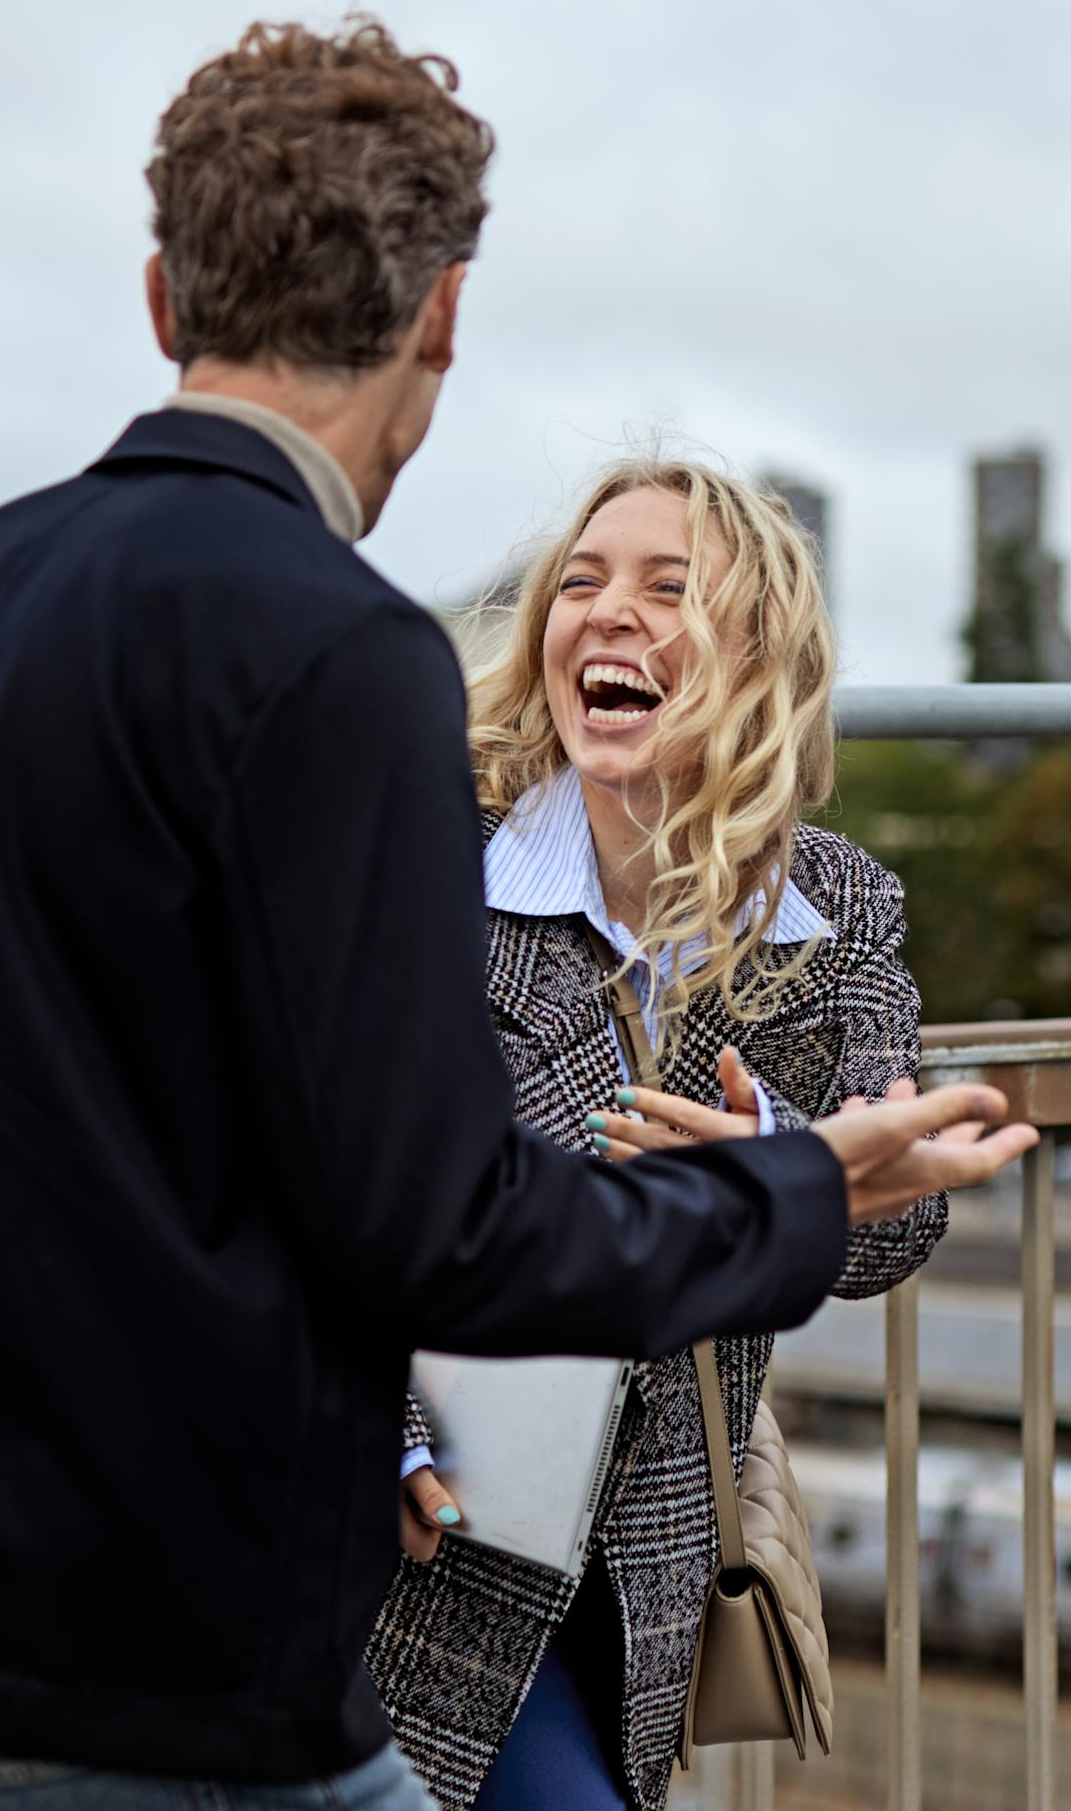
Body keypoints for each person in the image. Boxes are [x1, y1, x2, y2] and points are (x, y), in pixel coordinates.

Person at [0, 16, 1033, 1811]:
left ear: (160, 297)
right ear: (438, 319)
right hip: (96, 1706)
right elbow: (434, 1230)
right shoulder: (330, 651)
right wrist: (807, 1183)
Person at [371, 458, 932, 1810]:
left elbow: (899, 1222)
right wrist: (369, 1431)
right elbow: (295, 1167)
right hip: (405, 1534)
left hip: (628, 1565)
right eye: (581, 583)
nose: (607, 613)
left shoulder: (835, 910)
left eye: (668, 590)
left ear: (755, 656)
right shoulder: (429, 862)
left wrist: (771, 1163)